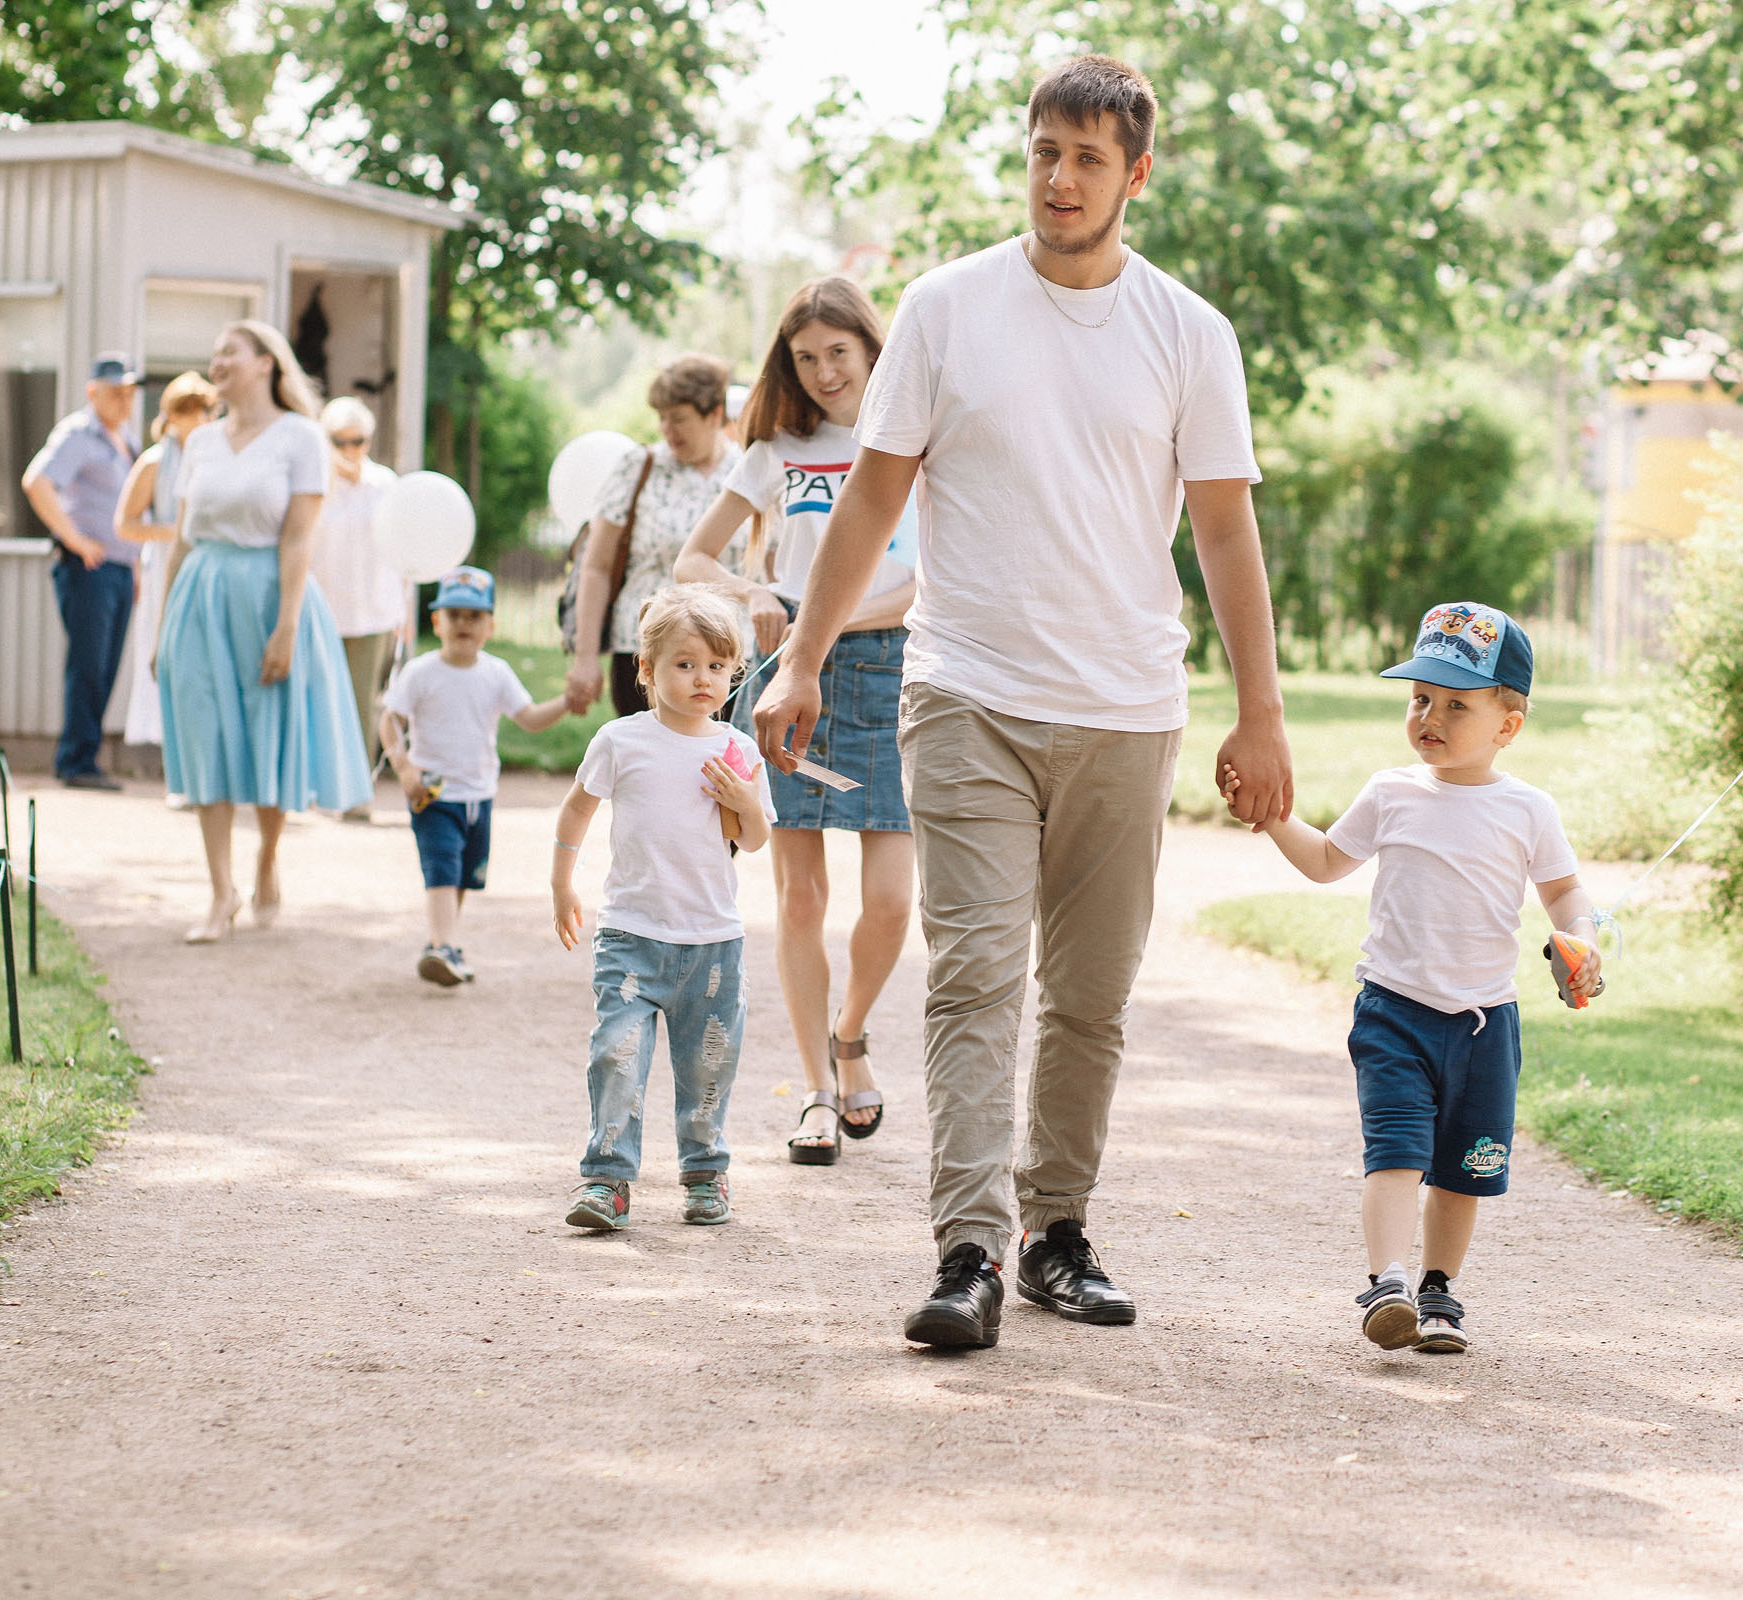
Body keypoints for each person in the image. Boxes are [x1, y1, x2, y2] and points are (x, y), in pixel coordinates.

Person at [753, 55, 1295, 1351]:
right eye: (1045, 152)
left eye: (1089, 159)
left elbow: (1225, 532)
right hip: (969, 692)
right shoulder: (946, 310)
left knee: (1090, 995)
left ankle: (1058, 1233)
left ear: (1136, 175)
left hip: (1126, 706)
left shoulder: (1190, 335)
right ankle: (969, 1252)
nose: (1060, 178)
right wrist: (804, 654)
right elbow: (874, 496)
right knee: (977, 977)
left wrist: (1262, 712)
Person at [1233, 603, 1603, 1355]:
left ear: (1508, 725)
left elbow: (1565, 893)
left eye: (1457, 705)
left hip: (1485, 1025)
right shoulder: (1391, 792)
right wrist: (1270, 819)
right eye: (1420, 698)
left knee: (1464, 1173)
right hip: (1395, 1012)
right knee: (1397, 1151)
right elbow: (1326, 862)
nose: (1430, 716)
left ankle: (1438, 1291)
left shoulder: (1528, 809)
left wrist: (1582, 941)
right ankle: (1387, 1284)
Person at [676, 278, 917, 1164]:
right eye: (805, 357)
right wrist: (754, 595)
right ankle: (818, 1088)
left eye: (838, 353)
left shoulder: (915, 437)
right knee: (801, 897)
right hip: (789, 684)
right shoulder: (777, 450)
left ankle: (850, 1033)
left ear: (873, 350)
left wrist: (824, 618)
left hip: (891, 676)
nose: (823, 371)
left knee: (890, 902)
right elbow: (693, 558)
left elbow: (929, 585)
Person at [551, 585, 774, 1231]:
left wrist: (744, 800)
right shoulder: (620, 740)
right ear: (646, 671)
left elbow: (753, 839)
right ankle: (606, 1180)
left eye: (717, 666)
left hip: (712, 940)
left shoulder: (737, 750)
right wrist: (562, 883)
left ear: (733, 671)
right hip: (631, 934)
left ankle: (705, 1173)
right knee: (615, 1055)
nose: (703, 679)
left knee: (708, 1066)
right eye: (685, 664)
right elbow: (577, 809)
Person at [155, 320, 371, 945]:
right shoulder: (199, 442)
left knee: (267, 734)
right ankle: (220, 892)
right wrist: (165, 626)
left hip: (269, 597)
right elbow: (182, 541)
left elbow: (299, 539)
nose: (217, 361)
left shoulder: (301, 437)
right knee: (205, 736)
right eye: (214, 352)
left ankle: (267, 857)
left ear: (266, 363)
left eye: (231, 352)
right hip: (201, 598)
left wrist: (286, 627)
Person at [379, 565, 575, 986]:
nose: (463, 624)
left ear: (490, 626)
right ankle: (441, 945)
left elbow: (529, 718)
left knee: (463, 876)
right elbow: (389, 720)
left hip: (479, 795)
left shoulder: (495, 672)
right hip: (433, 793)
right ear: (437, 622)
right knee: (442, 868)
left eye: (474, 616)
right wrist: (404, 767)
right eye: (454, 615)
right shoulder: (420, 672)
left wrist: (566, 701)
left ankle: (444, 943)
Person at [562, 356, 741, 719]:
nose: (667, 429)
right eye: (662, 418)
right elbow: (597, 566)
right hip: (645, 654)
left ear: (714, 414)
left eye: (679, 418)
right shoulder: (639, 467)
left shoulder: (747, 470)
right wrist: (585, 658)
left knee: (724, 756)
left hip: (727, 659)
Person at [24, 352, 143, 790]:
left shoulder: (125, 440)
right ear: (93, 392)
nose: (124, 401)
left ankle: (84, 756)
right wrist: (75, 539)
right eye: (115, 392)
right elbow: (37, 482)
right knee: (89, 665)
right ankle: (76, 761)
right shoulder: (78, 434)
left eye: (129, 392)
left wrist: (135, 565)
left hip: (120, 569)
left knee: (106, 666)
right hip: (88, 569)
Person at [312, 395, 411, 822]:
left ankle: (356, 794)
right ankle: (322, 788)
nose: (350, 450)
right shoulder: (315, 484)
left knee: (362, 703)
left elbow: (403, 552)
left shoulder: (386, 485)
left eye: (359, 441)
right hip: (323, 609)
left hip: (374, 611)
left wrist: (404, 612)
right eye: (341, 441)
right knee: (321, 700)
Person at [117, 371, 219, 780]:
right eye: (193, 411)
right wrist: (173, 533)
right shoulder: (155, 462)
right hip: (165, 565)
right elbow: (125, 524)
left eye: (207, 411)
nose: (202, 419)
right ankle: (171, 757)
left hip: (209, 564)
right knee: (167, 651)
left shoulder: (217, 456)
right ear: (174, 416)